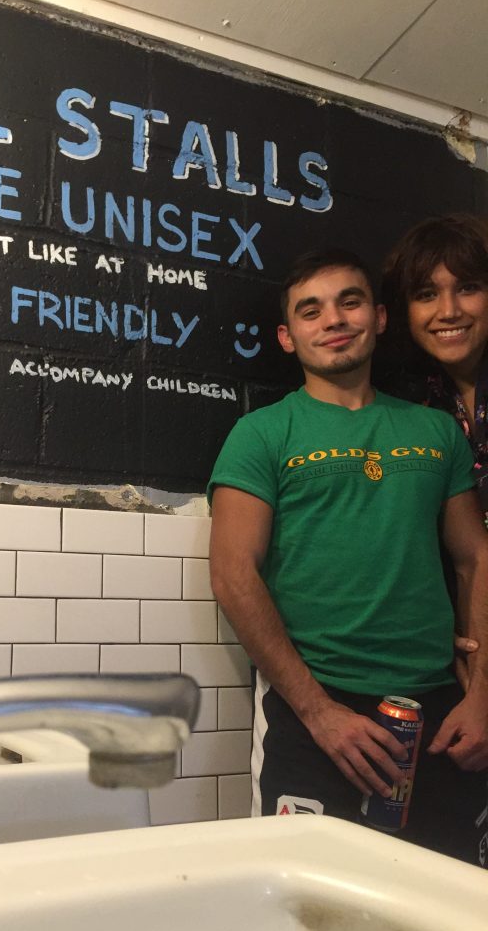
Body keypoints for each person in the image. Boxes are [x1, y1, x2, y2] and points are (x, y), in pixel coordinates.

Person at [208, 248, 488, 866]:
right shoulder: (262, 433)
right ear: (288, 336)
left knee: (445, 905)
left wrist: (483, 695)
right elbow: (232, 575)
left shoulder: (435, 431)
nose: (333, 319)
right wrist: (320, 713)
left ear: (380, 318)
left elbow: (474, 558)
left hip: (439, 715)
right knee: (301, 901)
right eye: (311, 311)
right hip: (317, 715)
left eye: (350, 301)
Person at [382, 213, 488, 528]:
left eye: (468, 288)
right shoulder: (402, 406)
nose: (449, 312)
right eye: (427, 295)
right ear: (404, 309)